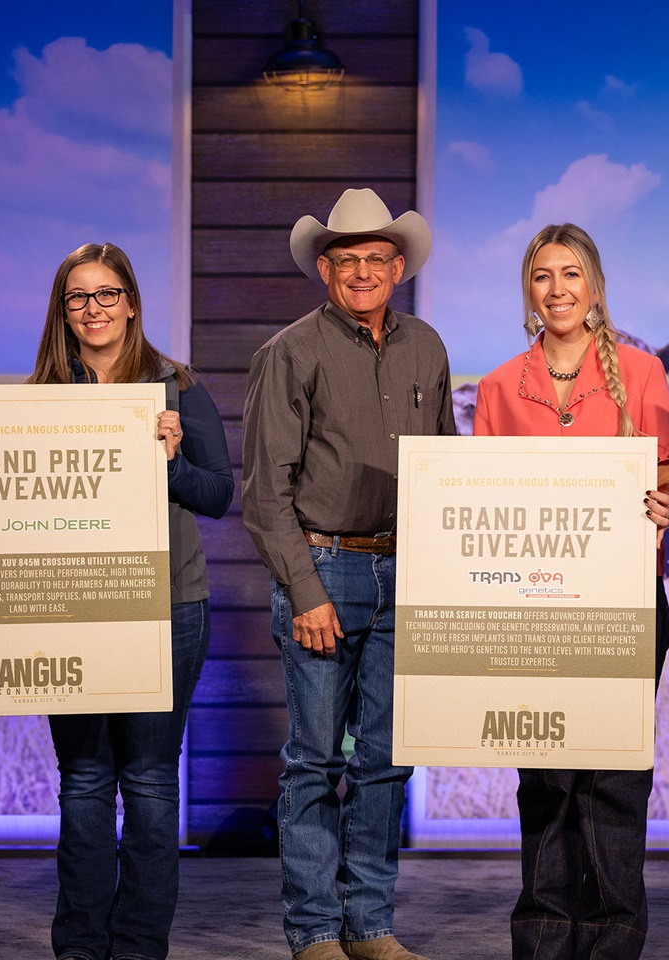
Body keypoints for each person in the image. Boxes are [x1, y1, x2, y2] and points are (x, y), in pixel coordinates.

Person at [242, 188, 454, 960]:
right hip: (326, 566)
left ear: (398, 266)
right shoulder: (289, 351)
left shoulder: (426, 347)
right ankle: (313, 931)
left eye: (376, 258)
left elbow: (446, 468)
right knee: (314, 763)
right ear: (324, 269)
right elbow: (266, 493)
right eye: (346, 259)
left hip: (408, 569)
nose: (362, 271)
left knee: (387, 760)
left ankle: (370, 925)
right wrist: (305, 591)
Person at [473, 223, 669, 960]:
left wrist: (668, 502)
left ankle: (612, 937)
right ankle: (541, 936)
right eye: (542, 276)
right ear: (528, 291)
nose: (557, 289)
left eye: (570, 274)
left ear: (593, 285)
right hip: (533, 605)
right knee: (545, 776)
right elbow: (483, 499)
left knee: (615, 777)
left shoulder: (642, 373)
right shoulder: (500, 386)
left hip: (625, 599)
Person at [28, 242, 233, 960]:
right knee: (83, 781)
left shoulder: (178, 386)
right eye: (78, 297)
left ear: (133, 302)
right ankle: (81, 947)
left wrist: (171, 463)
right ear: (64, 311)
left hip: (168, 609)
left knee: (148, 781)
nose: (93, 309)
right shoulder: (40, 398)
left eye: (106, 294)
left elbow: (218, 495)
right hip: (73, 611)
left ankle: (140, 945)